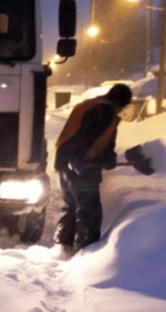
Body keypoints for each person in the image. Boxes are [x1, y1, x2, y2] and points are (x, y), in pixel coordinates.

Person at [53, 83, 133, 252]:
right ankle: (86, 251)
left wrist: (108, 157)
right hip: (80, 166)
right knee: (89, 211)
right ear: (120, 102)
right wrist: (78, 159)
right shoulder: (104, 111)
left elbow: (99, 139)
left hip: (65, 163)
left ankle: (63, 248)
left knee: (73, 206)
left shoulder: (92, 105)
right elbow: (86, 138)